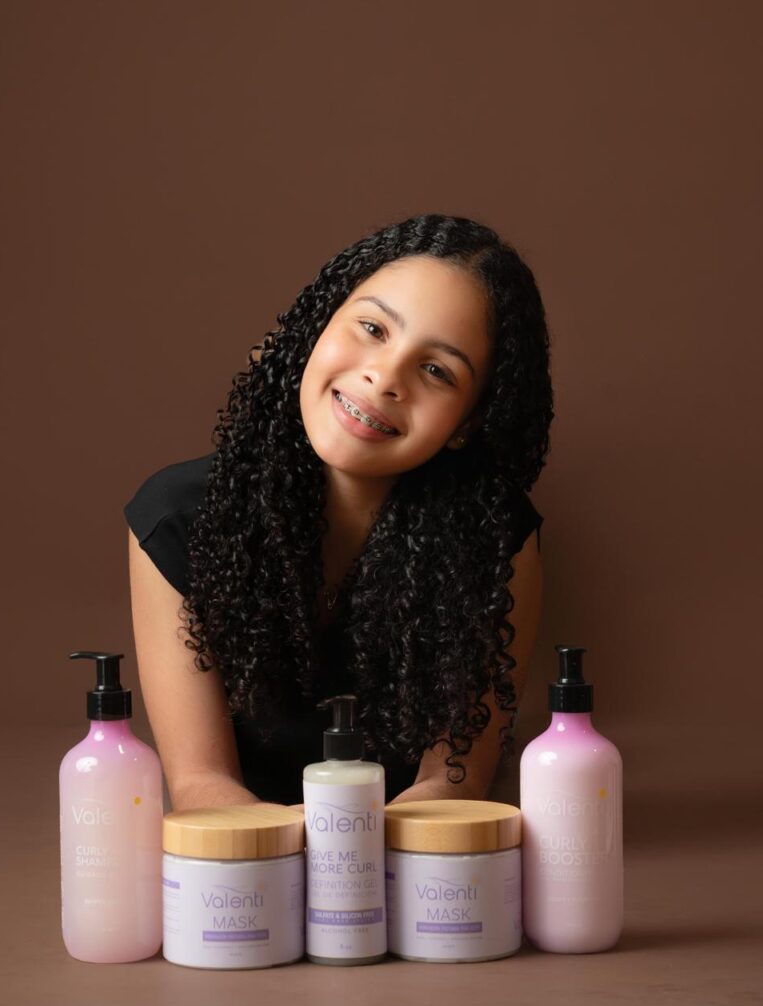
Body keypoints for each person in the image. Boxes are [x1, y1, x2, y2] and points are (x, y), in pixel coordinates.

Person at [125, 213, 552, 812]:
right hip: (243, 873)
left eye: (437, 370)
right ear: (317, 326)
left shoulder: (498, 538)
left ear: (468, 425)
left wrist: (351, 867)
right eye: (373, 328)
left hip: (414, 869)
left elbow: (451, 784)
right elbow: (201, 785)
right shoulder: (175, 520)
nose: (384, 377)